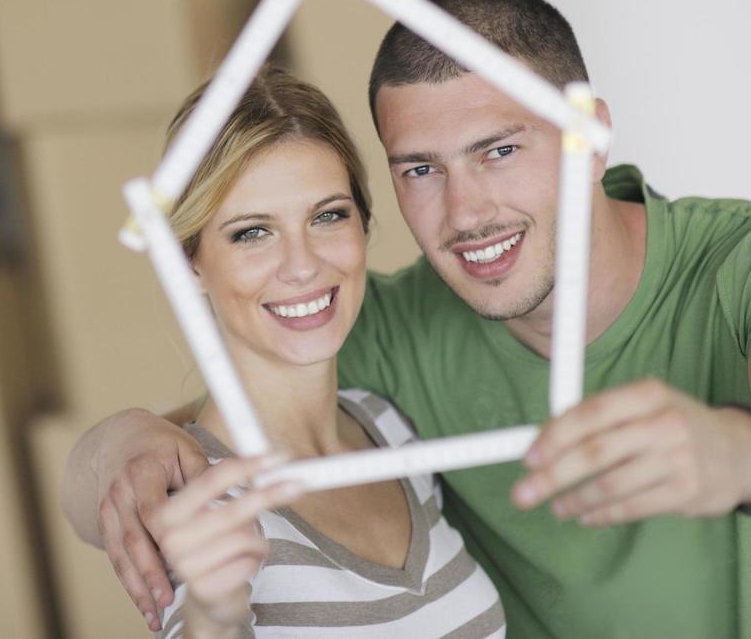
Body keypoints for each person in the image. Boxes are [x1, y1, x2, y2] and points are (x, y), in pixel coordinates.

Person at [64, 0, 751, 638]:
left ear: (588, 135)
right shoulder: (388, 333)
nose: (466, 211)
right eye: (420, 169)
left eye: (500, 150)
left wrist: (743, 451)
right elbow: (219, 425)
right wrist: (118, 446)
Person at [143, 65, 504, 636]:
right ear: (189, 262)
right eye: (251, 232)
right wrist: (214, 613)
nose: (304, 264)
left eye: (328, 216)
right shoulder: (195, 498)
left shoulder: (390, 429)